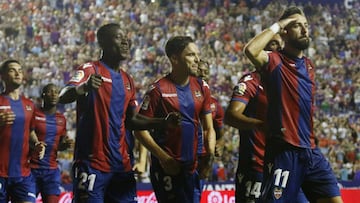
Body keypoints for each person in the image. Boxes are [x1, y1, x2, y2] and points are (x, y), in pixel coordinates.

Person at [58, 23, 180, 203]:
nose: (125, 41)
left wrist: (163, 122)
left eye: (125, 37)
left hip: (122, 166)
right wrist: (83, 88)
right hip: (92, 164)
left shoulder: (127, 80)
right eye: (118, 37)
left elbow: (133, 120)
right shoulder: (90, 69)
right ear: (103, 43)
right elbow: (63, 96)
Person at [244, 6, 343, 203]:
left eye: (306, 25)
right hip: (284, 151)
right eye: (297, 26)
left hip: (311, 151)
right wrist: (279, 24)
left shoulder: (308, 65)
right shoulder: (274, 60)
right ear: (285, 32)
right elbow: (251, 50)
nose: (305, 30)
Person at [226, 35, 308, 202]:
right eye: (272, 45)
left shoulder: (289, 82)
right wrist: (260, 124)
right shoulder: (251, 82)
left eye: (280, 45)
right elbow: (231, 116)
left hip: (286, 164)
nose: (277, 49)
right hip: (257, 166)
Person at [134, 36, 216, 203]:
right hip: (167, 169)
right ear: (174, 58)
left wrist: (209, 156)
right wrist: (164, 158)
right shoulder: (158, 90)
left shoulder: (202, 87)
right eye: (191, 55)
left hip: (193, 168)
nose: (197, 59)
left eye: (197, 54)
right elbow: (139, 128)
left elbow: (208, 128)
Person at [0, 59, 46, 203]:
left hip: (23, 173)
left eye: (20, 70)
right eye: (12, 70)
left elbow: (30, 132)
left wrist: (37, 144)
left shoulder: (29, 105)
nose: (17, 73)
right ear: (3, 76)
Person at [30, 83, 73, 203]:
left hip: (51, 171)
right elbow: (26, 138)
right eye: (50, 91)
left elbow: (58, 146)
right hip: (31, 169)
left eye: (56, 92)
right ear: (43, 95)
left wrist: (64, 146)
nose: (54, 94)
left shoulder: (61, 119)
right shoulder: (33, 114)